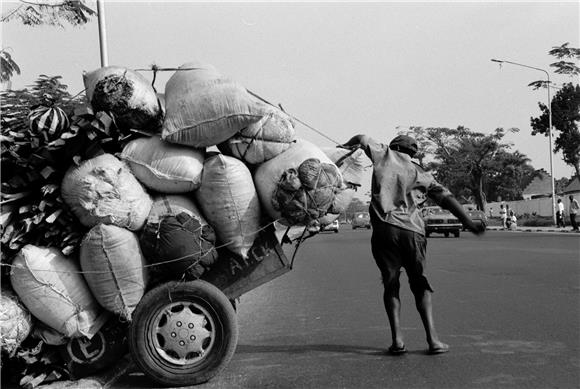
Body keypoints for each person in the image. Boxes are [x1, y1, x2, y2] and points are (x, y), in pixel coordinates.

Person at [340, 134, 485, 356]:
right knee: (420, 284)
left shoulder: (383, 154)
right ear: (413, 153)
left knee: (391, 284)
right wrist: (469, 223)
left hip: (384, 230)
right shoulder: (422, 173)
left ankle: (397, 340)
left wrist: (347, 145)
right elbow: (448, 199)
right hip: (412, 231)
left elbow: (361, 137)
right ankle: (433, 340)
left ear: (394, 146)